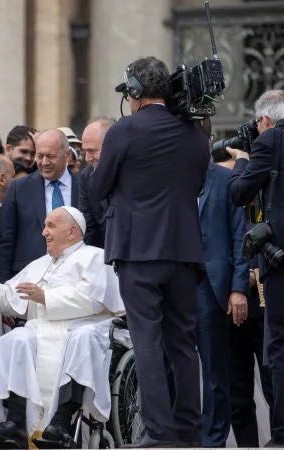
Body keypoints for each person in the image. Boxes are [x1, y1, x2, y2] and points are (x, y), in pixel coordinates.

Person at [89, 56, 210, 447]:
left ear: (137, 92)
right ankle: (189, 431)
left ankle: (159, 434)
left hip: (139, 252)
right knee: (182, 344)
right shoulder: (194, 134)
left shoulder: (125, 129)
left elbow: (97, 186)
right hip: (184, 251)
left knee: (147, 343)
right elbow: (197, 183)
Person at [0, 207, 124, 448]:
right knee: (15, 338)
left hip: (84, 327)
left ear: (72, 230)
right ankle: (15, 422)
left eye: (51, 226)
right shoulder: (40, 264)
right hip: (42, 329)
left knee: (82, 338)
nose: (44, 232)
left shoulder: (96, 257)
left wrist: (46, 297)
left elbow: (94, 300)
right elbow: (8, 299)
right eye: (45, 226)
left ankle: (63, 421)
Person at [227, 89, 284, 447]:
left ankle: (280, 434)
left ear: (264, 121)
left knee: (278, 345)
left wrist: (245, 160)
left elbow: (238, 194)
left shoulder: (270, 142)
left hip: (279, 264)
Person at [196, 162, 249, 447]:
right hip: (175, 285)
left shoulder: (225, 179)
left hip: (211, 287)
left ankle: (213, 441)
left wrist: (238, 288)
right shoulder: (168, 175)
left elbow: (241, 237)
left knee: (215, 370)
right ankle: (185, 435)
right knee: (176, 367)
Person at [0, 128, 79, 284]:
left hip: (75, 279)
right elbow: (5, 241)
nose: (44, 162)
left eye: (50, 156)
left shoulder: (85, 187)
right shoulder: (19, 188)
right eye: (40, 156)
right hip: (28, 280)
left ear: (66, 155)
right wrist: (1, 288)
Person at [78, 117, 115, 248]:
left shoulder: (133, 172)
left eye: (92, 150)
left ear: (112, 145)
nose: (87, 158)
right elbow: (89, 230)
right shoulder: (86, 176)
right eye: (85, 151)